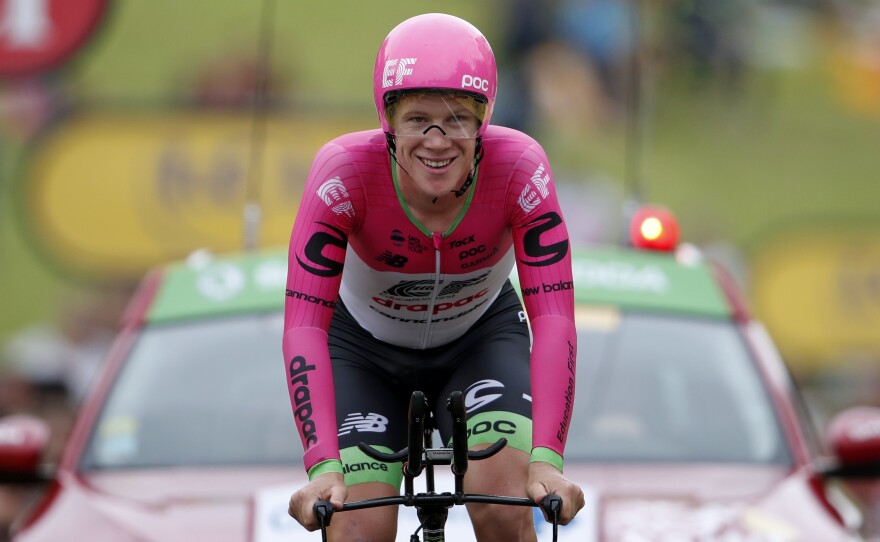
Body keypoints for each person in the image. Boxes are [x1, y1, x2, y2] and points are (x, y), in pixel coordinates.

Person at [283, 13, 585, 541]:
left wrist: (546, 459)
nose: (437, 140)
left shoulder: (520, 169)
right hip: (362, 351)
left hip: (480, 341)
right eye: (417, 118)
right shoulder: (343, 174)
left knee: (505, 508)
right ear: (387, 122)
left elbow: (555, 317)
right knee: (357, 528)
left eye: (459, 119)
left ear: (484, 121)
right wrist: (322, 466)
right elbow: (304, 326)